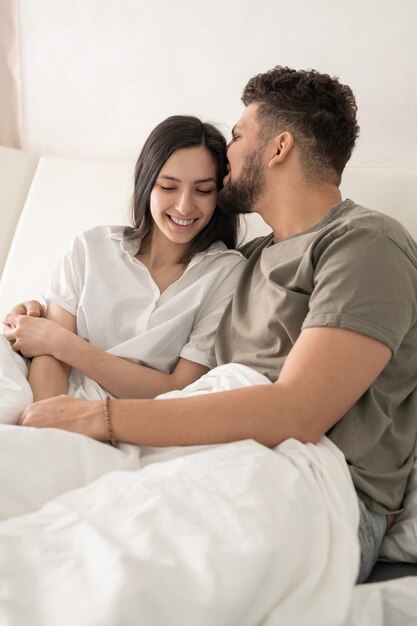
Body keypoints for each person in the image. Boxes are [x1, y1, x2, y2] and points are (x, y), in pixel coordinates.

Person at [5, 66, 417, 583]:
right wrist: (39, 315)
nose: (229, 157)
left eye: (240, 136)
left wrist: (101, 419)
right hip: (209, 459)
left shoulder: (366, 242)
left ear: (279, 147)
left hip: (319, 488)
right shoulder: (246, 261)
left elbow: (299, 411)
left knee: (125, 575)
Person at [1, 115, 245, 405]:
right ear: (147, 185)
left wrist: (64, 343)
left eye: (203, 190)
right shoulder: (90, 247)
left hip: (132, 418)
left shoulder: (226, 273)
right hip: (47, 399)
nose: (184, 205)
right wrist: (48, 419)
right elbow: (47, 358)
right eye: (168, 187)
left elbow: (180, 389)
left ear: (218, 194)